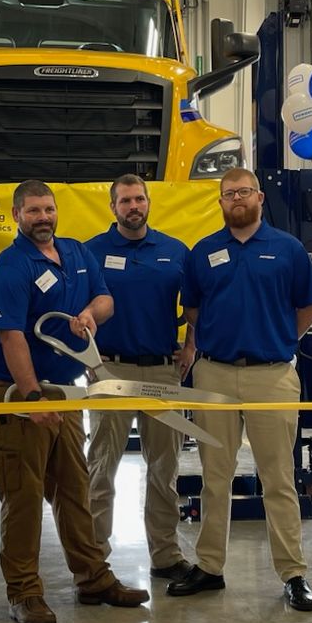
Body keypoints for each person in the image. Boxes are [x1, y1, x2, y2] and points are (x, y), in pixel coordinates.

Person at [0, 179, 150, 623]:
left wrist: (91, 314)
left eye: (49, 210)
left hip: (65, 393)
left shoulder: (76, 253)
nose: (43, 218)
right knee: (22, 498)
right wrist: (32, 397)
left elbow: (106, 299)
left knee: (75, 488)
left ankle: (93, 577)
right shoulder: (11, 266)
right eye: (33, 211)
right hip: (20, 395)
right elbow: (12, 337)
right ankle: (24, 592)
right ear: (17, 214)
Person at [169, 167, 312, 612]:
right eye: (229, 193)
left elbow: (308, 308)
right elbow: (193, 309)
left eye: (244, 192)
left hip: (271, 375)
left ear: (258, 198)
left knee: (279, 478)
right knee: (216, 476)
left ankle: (292, 573)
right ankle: (210, 567)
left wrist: (275, 340)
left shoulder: (288, 249)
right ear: (220, 202)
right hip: (213, 374)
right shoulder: (203, 251)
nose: (237, 199)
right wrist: (221, 340)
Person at [84, 174, 192, 583]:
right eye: (125, 200)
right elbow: (80, 310)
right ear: (113, 207)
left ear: (148, 203)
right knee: (101, 466)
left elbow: (195, 304)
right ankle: (95, 556)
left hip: (164, 369)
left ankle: (165, 554)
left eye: (139, 199)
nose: (134, 206)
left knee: (165, 469)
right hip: (110, 370)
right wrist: (89, 359)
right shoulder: (91, 252)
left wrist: (190, 347)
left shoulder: (174, 251)